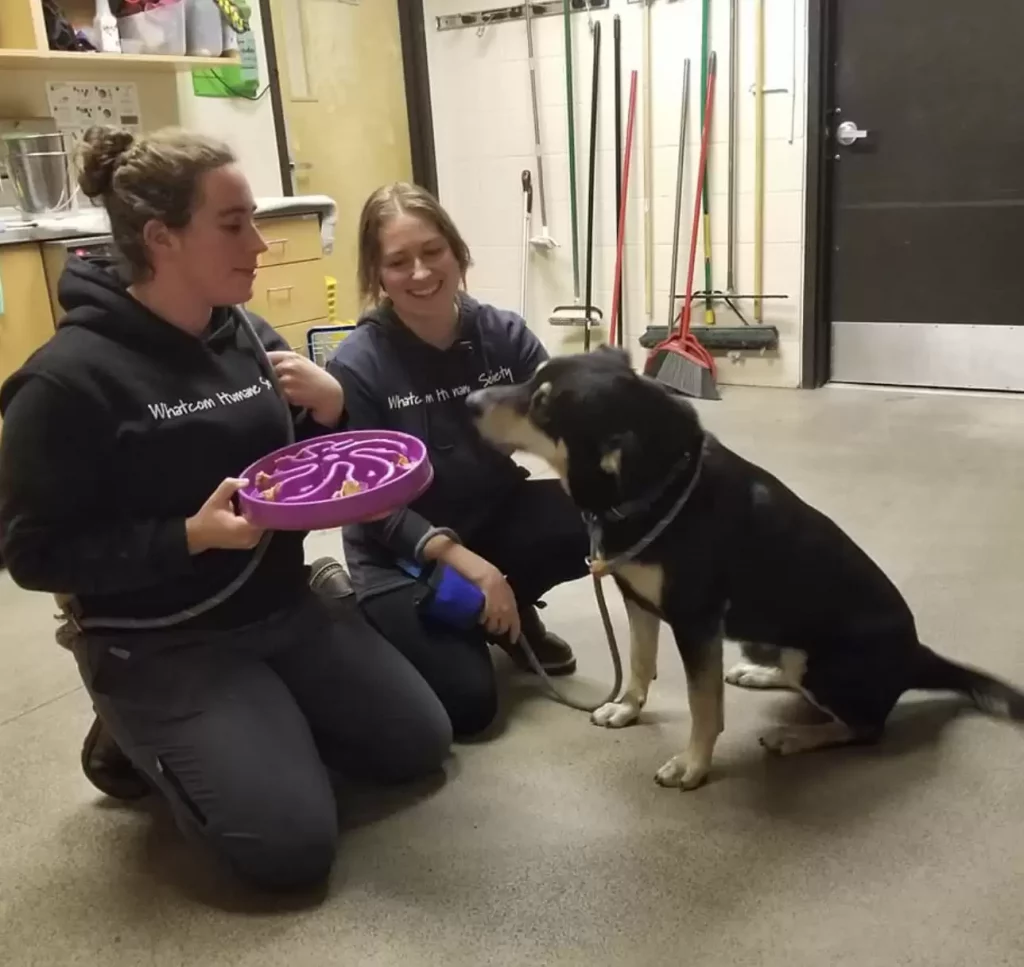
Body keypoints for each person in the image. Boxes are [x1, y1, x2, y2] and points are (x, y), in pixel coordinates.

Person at [0, 128, 451, 892]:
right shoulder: (64, 383)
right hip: (164, 639)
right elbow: (32, 553)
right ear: (160, 238)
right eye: (234, 223)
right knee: (290, 848)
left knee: (420, 743)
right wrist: (185, 537)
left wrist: (333, 408)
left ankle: (258, 715)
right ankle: (129, 725)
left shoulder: (240, 328)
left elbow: (297, 456)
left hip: (278, 604)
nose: (261, 245)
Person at [326, 183, 591, 739]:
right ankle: (445, 611)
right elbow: (377, 510)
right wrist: (473, 568)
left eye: (432, 252)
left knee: (592, 515)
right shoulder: (357, 364)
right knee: (468, 708)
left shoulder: (505, 335)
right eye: (398, 262)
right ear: (377, 273)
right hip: (401, 551)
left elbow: (562, 426)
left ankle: (504, 612)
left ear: (457, 251)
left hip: (492, 516)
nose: (420, 273)